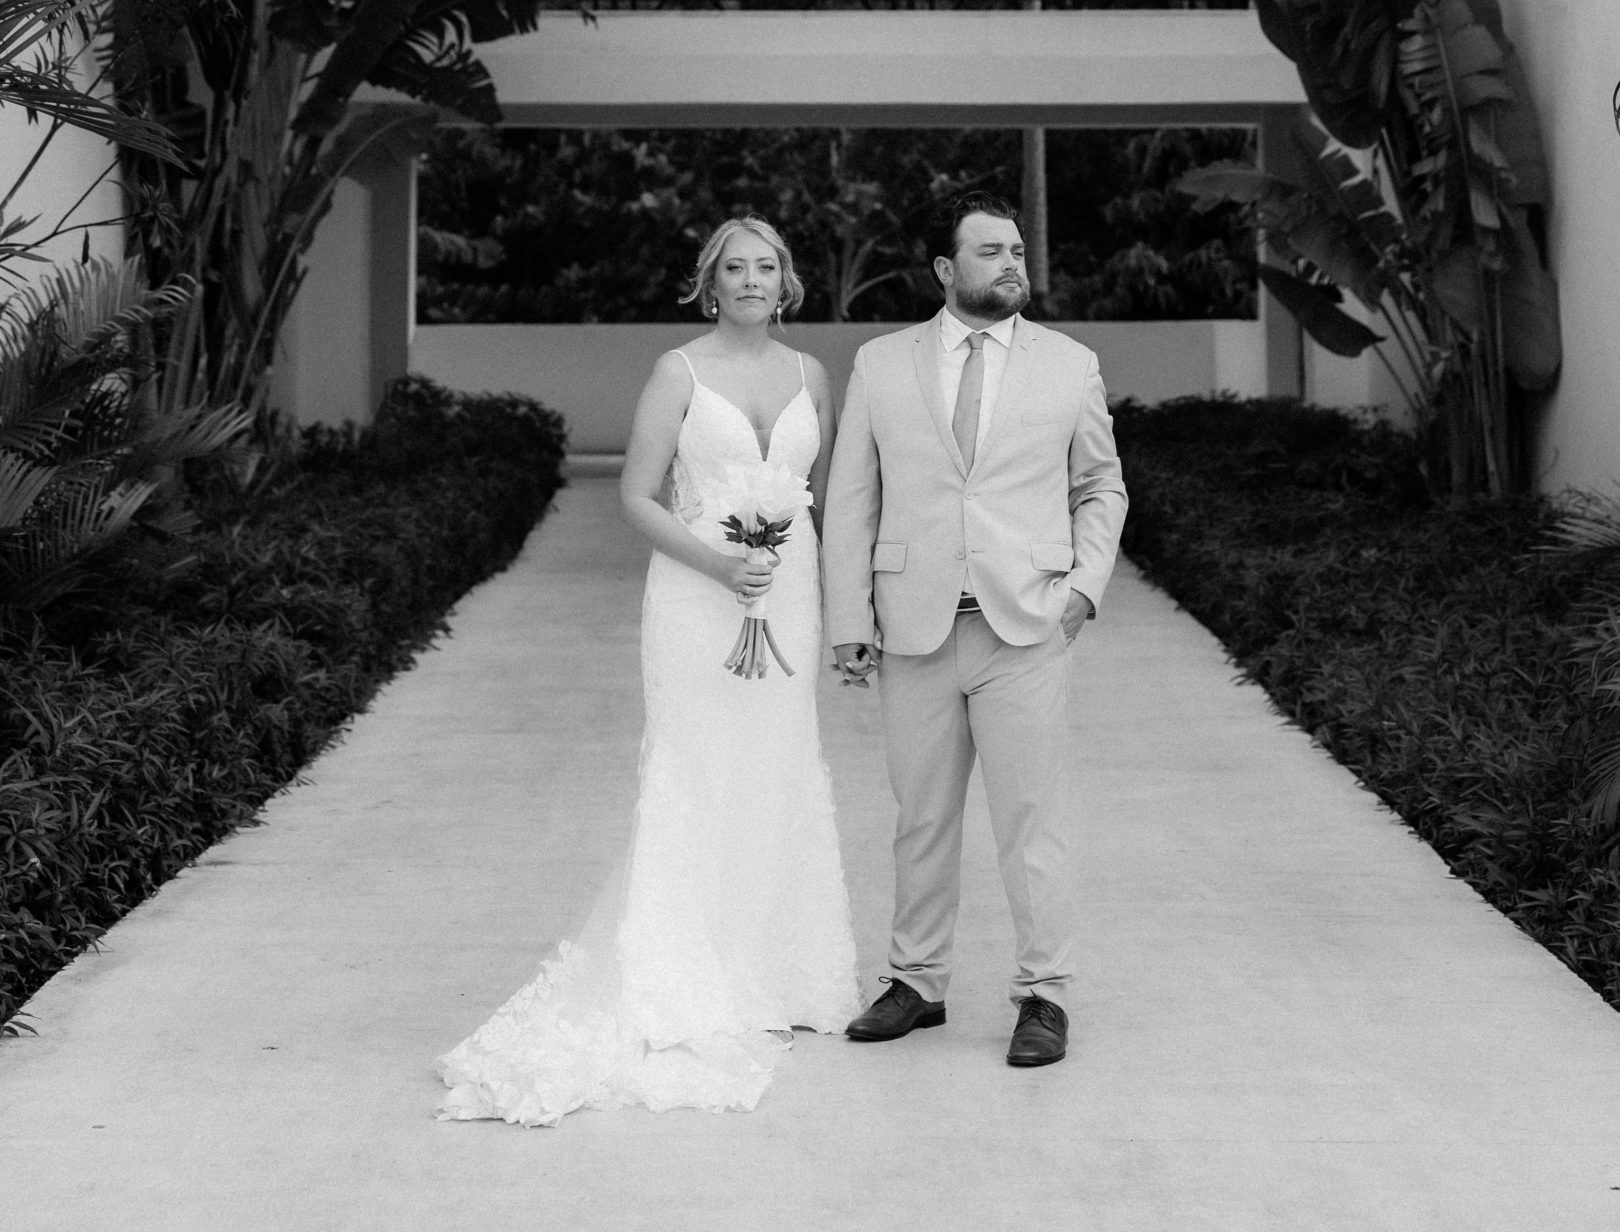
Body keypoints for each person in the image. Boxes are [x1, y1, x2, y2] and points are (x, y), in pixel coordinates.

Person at [437, 216, 860, 1122]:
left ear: (788, 281)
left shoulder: (812, 377)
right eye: (734, 267)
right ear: (710, 282)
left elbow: (827, 500)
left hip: (785, 598)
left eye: (767, 266)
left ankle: (779, 973)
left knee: (778, 766)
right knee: (697, 770)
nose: (751, 279)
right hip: (694, 597)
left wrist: (824, 601)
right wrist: (717, 565)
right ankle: (685, 979)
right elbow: (636, 494)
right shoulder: (680, 371)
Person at [823, 189, 1128, 1069]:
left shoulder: (1070, 364)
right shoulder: (882, 364)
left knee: (1032, 820)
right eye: (990, 252)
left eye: (1018, 252)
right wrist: (850, 614)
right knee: (920, 817)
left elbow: (1101, 487)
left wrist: (1084, 588)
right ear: (945, 270)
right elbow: (852, 496)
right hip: (912, 624)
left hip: (1025, 623)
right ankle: (916, 983)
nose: (1011, 265)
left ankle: (1044, 996)